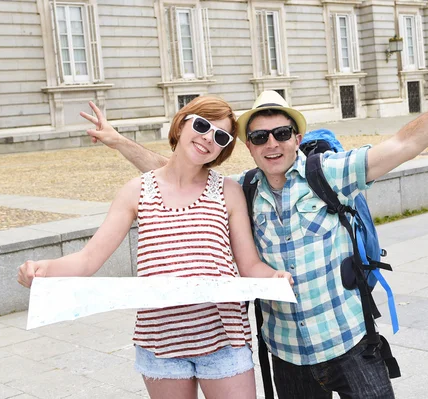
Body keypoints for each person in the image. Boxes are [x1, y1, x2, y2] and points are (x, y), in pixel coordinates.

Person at [81, 36, 428, 398]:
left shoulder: (329, 172)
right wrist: (118, 142)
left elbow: (403, 143)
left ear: (296, 136)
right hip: (286, 354)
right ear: (248, 146)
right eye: (259, 137)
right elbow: (176, 170)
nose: (272, 144)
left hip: (348, 341)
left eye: (281, 134)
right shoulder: (242, 190)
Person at [17, 96, 294, 399]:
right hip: (160, 343)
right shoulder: (137, 191)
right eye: (202, 125)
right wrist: (44, 270)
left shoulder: (227, 191)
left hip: (222, 339)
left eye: (220, 136)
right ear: (182, 123)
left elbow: (249, 265)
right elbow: (88, 258)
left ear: (224, 149)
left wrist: (273, 278)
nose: (207, 139)